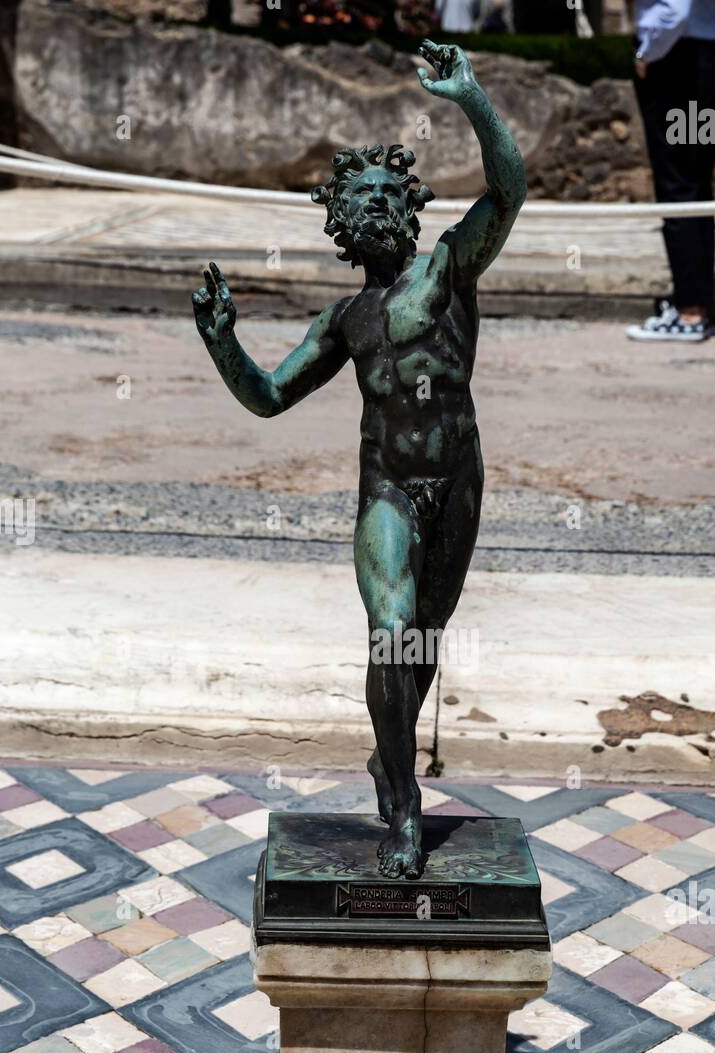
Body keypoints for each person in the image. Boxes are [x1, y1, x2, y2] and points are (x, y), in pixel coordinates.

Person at [192, 43, 525, 879]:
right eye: (359, 195)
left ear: (408, 210)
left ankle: (392, 757)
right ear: (340, 218)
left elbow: (510, 190)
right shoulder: (345, 319)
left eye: (387, 193)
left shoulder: (449, 268)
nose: (375, 204)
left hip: (458, 480)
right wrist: (222, 342)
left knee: (422, 643)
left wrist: (472, 97)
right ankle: (405, 808)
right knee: (389, 634)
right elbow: (268, 396)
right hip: (387, 491)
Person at [626, 0, 715, 343]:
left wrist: (647, 52)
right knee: (696, 184)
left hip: (677, 62)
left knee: (678, 184)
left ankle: (689, 312)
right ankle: (697, 303)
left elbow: (675, 9)